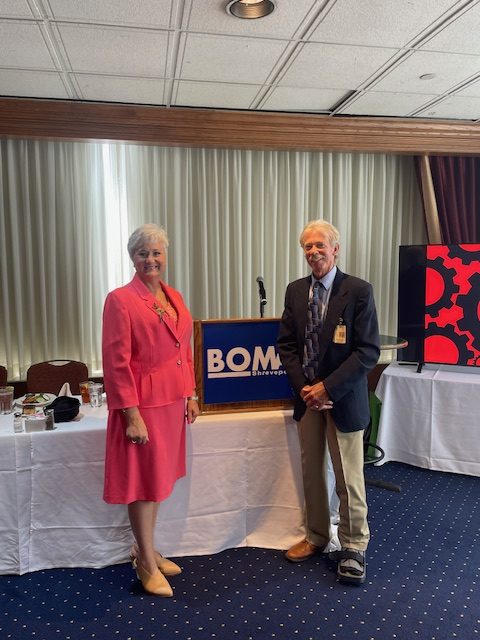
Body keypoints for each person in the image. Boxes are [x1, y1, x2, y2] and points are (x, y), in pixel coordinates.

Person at [277, 219, 380, 585]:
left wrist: (327, 389)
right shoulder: (294, 291)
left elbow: (367, 351)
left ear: (335, 249)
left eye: (320, 245)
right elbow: (287, 345)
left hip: (343, 400)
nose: (313, 252)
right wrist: (307, 389)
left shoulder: (359, 291)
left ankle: (354, 545)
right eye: (307, 246)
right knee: (313, 473)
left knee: (349, 478)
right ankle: (317, 536)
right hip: (307, 399)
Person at [102, 223, 200, 597]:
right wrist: (131, 414)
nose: (151, 259)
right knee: (143, 484)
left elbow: (183, 349)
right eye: (143, 253)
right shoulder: (120, 300)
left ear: (165, 255)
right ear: (132, 258)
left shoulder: (174, 296)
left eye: (156, 252)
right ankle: (145, 561)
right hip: (142, 407)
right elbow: (116, 363)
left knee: (158, 481)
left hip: (171, 403)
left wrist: (190, 393)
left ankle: (146, 549)